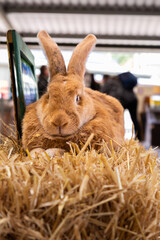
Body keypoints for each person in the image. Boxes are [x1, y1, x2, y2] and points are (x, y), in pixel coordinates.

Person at [101, 72, 142, 140]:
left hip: (121, 101)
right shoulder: (120, 80)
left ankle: (117, 138)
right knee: (134, 119)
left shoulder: (110, 82)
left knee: (117, 120)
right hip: (132, 99)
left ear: (104, 78)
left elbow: (101, 93)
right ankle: (139, 139)